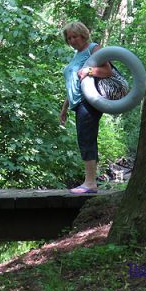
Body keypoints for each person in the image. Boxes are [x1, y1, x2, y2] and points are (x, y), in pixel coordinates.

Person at [59, 21, 112, 194]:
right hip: (77, 104)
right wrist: (65, 107)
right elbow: (73, 84)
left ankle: (90, 183)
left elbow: (107, 71)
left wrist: (88, 71)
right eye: (69, 38)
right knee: (85, 138)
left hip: (89, 101)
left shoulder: (94, 49)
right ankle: (90, 181)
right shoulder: (76, 55)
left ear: (83, 35)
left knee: (86, 139)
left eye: (75, 36)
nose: (72, 40)